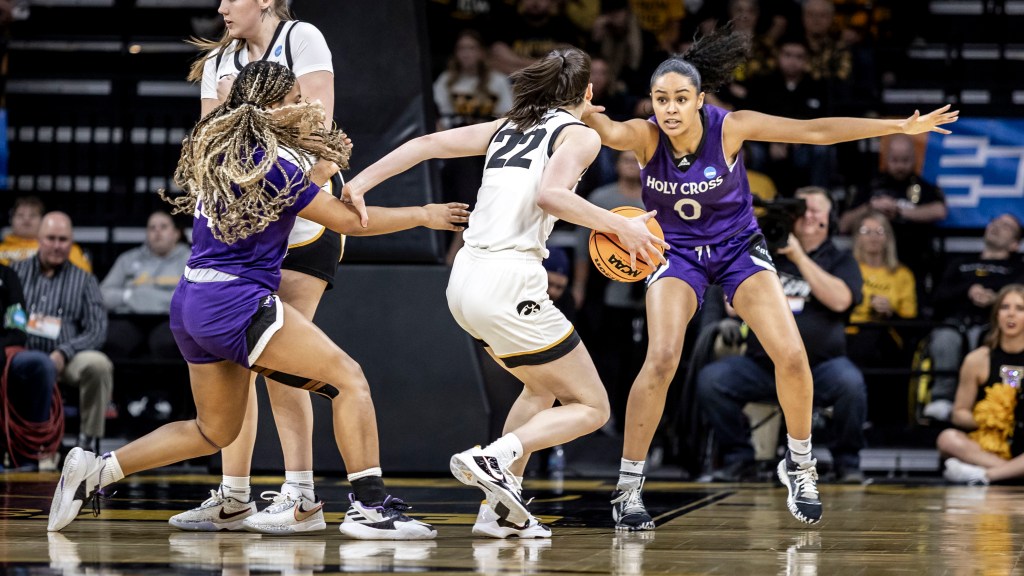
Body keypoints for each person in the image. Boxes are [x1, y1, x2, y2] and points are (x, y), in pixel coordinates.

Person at [47, 60, 468, 535]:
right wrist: (424, 214)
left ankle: (96, 471)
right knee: (349, 381)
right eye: (291, 101)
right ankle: (370, 508)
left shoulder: (222, 149)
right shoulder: (276, 163)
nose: (301, 107)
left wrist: (318, 168)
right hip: (234, 301)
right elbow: (348, 221)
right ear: (269, 108)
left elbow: (274, 198)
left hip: (191, 301)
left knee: (215, 431)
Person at [581, 25, 957, 527]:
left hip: (738, 248)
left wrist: (896, 127)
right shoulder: (646, 137)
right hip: (677, 253)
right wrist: (582, 111)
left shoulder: (730, 127)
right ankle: (628, 488)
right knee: (664, 356)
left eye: (680, 99)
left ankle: (799, 465)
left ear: (699, 101)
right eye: (660, 99)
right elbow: (609, 133)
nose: (669, 109)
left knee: (792, 354)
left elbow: (814, 130)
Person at [341, 47, 667, 538]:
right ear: (589, 93)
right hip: (510, 280)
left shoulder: (507, 127)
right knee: (593, 407)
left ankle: (500, 513)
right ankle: (494, 458)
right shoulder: (578, 136)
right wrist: (621, 229)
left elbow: (426, 143)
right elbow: (551, 196)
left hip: (465, 279)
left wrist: (360, 183)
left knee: (540, 387)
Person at [170, 0, 349, 535]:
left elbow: (322, 143)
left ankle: (300, 496)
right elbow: (207, 147)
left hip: (301, 220)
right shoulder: (220, 59)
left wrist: (280, 197)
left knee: (283, 361)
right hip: (243, 224)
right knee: (233, 363)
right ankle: (234, 496)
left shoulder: (302, 39)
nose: (222, 6)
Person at [696, 187, 867, 485]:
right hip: (764, 365)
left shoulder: (840, 259)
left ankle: (847, 463)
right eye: (802, 210)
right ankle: (739, 459)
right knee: (713, 380)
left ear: (830, 218)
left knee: (851, 384)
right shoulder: (764, 254)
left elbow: (841, 300)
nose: (809, 216)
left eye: (817, 210)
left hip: (822, 367)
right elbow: (732, 305)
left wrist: (799, 258)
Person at [10, 212, 111, 455]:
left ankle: (86, 444)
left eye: (63, 239)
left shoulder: (85, 280)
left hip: (68, 358)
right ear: (39, 239)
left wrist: (64, 353)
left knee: (99, 365)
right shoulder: (15, 273)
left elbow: (97, 329)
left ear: (72, 242)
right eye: (51, 238)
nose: (57, 245)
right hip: (22, 355)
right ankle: (14, 442)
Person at [922, 213, 1024, 422]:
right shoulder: (959, 263)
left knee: (990, 340)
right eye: (994, 222)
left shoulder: (1018, 269)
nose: (996, 226)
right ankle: (942, 399)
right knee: (945, 338)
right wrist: (968, 290)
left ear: (1015, 244)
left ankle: (1000, 400)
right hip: (955, 323)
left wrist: (997, 300)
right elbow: (936, 297)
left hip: (994, 327)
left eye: (1006, 226)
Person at [838, 133, 947, 298]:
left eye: (905, 160)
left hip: (913, 257)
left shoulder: (923, 187)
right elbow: (843, 224)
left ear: (914, 158)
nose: (900, 166)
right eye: (895, 160)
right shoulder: (870, 187)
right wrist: (872, 207)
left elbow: (940, 210)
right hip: (873, 262)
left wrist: (900, 210)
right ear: (885, 157)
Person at [937, 284, 1024, 485]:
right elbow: (959, 413)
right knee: (947, 438)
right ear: (996, 314)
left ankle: (984, 475)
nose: (1011, 314)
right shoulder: (977, 359)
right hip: (988, 444)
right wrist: (989, 419)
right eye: (1004, 307)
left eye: (1020, 309)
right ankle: (1011, 472)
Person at [101, 210, 190, 359]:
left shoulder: (191, 260)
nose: (157, 232)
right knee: (112, 341)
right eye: (152, 228)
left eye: (163, 227)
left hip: (170, 321)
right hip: (130, 319)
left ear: (176, 233)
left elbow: (193, 300)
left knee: (168, 345)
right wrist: (129, 296)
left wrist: (140, 296)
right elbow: (102, 295)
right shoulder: (128, 259)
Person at [0, 261, 60, 469]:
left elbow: (18, 329)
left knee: (41, 364)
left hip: (5, 349)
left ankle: (28, 453)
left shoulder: (6, 275)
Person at [846, 211, 917, 370]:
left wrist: (890, 312)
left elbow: (911, 320)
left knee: (876, 338)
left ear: (888, 238)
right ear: (857, 237)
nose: (873, 237)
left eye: (880, 231)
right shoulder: (846, 268)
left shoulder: (902, 274)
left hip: (886, 338)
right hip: (850, 333)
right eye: (866, 231)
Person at [0, 196, 92, 272]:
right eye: (20, 215)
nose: (26, 220)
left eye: (33, 215)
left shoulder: (65, 248)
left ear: (44, 220)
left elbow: (83, 278)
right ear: (11, 220)